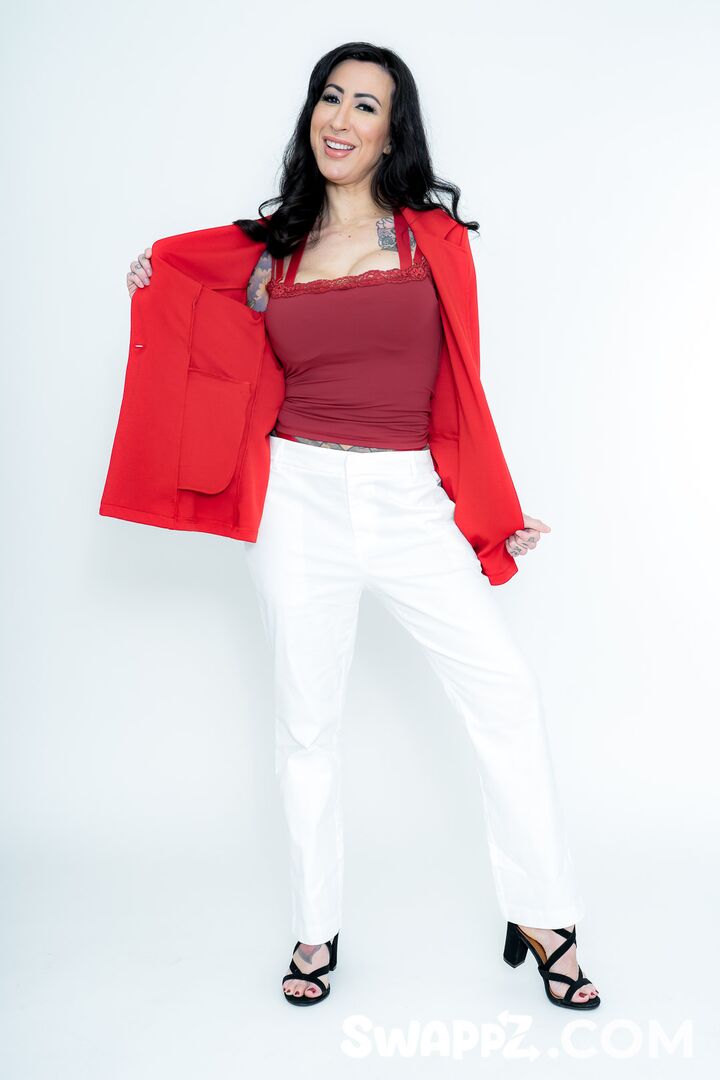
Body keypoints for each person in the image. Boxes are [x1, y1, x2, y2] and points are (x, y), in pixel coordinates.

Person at [124, 42, 600, 1011]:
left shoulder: (433, 240)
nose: (341, 119)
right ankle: (316, 926)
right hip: (298, 501)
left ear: (392, 133)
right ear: (313, 114)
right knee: (307, 724)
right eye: (330, 98)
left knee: (506, 695)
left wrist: (492, 507)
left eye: (366, 106)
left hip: (408, 499)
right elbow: (196, 303)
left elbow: (463, 384)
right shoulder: (272, 250)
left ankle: (542, 913)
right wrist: (155, 272)